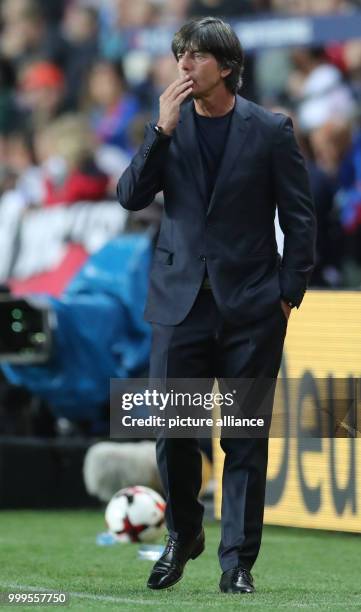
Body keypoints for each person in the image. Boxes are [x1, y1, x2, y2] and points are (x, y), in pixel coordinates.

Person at [117, 17, 316, 595]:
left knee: (245, 437)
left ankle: (238, 563)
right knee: (173, 432)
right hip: (179, 307)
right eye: (180, 54)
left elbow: (300, 221)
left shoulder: (271, 129)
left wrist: (286, 296)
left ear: (226, 67)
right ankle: (185, 533)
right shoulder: (166, 126)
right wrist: (159, 129)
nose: (183, 64)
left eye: (197, 56)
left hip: (252, 308)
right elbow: (130, 196)